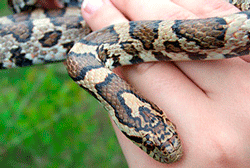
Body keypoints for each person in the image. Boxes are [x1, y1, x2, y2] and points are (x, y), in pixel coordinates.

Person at [41, 0, 250, 167]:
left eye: (150, 144)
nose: (171, 150)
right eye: (149, 145)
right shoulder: (86, 64)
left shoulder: (85, 65)